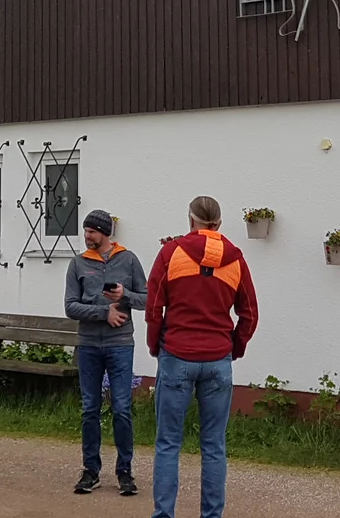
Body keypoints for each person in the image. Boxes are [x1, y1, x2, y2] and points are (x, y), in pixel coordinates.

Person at [145, 196, 258, 518]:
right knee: (214, 445)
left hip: (177, 354)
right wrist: (234, 347)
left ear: (190, 219)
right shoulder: (236, 259)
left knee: (168, 443)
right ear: (219, 224)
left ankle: (164, 514)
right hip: (217, 356)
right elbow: (249, 313)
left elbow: (154, 308)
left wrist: (156, 345)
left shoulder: (171, 253)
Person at [63, 209, 148, 495]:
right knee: (89, 408)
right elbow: (70, 306)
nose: (87, 236)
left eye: (93, 231)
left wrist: (124, 296)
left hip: (120, 344)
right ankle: (90, 471)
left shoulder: (129, 259)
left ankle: (125, 471)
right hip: (88, 344)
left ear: (106, 233)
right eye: (86, 231)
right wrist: (103, 312)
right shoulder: (77, 264)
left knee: (122, 409)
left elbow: (147, 300)